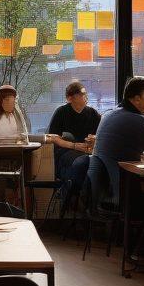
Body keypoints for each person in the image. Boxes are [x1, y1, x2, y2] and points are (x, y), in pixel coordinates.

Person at [91, 76, 144, 256]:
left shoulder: (109, 114)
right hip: (123, 198)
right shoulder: (137, 120)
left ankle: (136, 249)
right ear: (135, 99)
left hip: (102, 194)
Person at [45, 80, 101, 210]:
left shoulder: (92, 113)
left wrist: (95, 140)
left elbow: (101, 135)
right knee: (82, 162)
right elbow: (53, 137)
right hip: (66, 151)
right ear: (70, 98)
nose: (85, 97)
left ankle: (90, 202)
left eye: (85, 94)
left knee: (96, 162)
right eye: (81, 94)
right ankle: (74, 196)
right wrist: (74, 146)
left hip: (87, 151)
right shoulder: (61, 112)